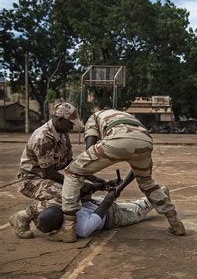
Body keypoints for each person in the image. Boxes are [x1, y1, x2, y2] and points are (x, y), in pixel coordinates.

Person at [48, 108, 185, 243]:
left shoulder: (93, 118)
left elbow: (89, 148)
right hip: (145, 139)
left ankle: (68, 228)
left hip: (118, 137)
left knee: (72, 172)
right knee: (147, 182)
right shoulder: (122, 115)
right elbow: (135, 169)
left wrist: (90, 175)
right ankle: (175, 222)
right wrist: (121, 186)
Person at [9, 102, 89, 239]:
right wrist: (76, 183)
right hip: (30, 180)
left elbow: (70, 163)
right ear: (60, 119)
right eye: (71, 123)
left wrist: (91, 176)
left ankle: (60, 221)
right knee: (65, 195)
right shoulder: (43, 137)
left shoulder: (62, 134)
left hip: (45, 178)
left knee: (81, 193)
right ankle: (22, 217)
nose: (72, 126)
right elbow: (49, 173)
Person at [37, 179, 154, 238]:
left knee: (138, 204)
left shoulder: (63, 209)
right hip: (112, 216)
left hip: (96, 203)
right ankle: (158, 196)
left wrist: (105, 184)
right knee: (142, 207)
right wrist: (113, 193)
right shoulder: (81, 230)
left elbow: (85, 194)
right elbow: (103, 209)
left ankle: (156, 196)